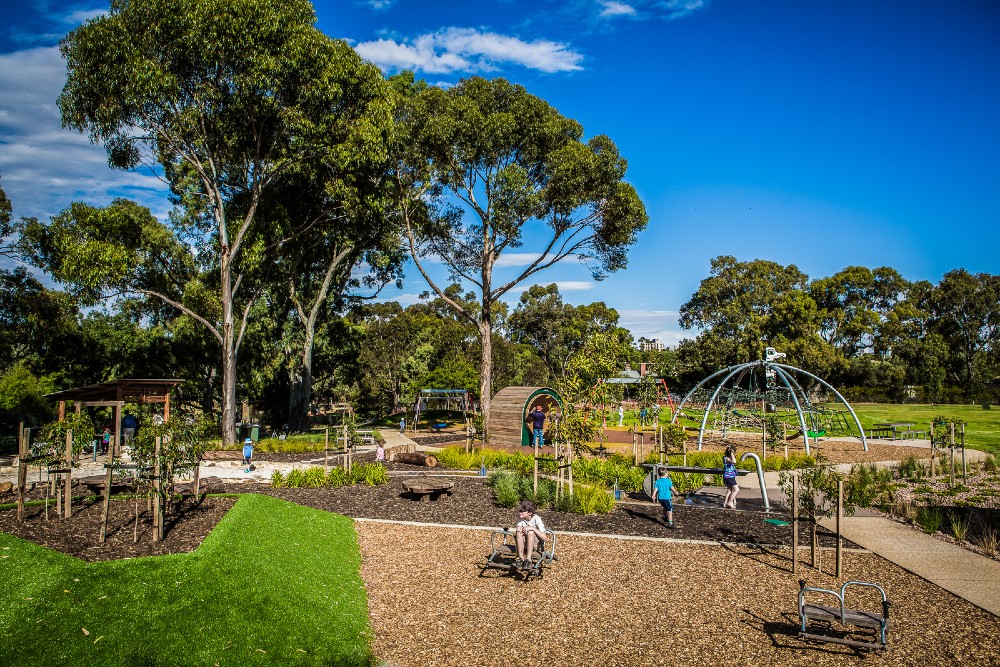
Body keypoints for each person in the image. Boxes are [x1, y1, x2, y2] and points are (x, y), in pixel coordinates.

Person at [512, 500, 546, 570]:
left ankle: (528, 560)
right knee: (519, 532)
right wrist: (519, 530)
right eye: (519, 511)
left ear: (530, 513)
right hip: (524, 544)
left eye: (522, 511)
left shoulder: (536, 519)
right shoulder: (520, 518)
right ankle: (521, 558)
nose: (520, 513)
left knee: (531, 532)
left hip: (536, 545)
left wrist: (533, 528)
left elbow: (544, 537)